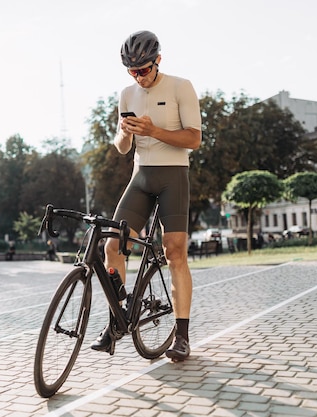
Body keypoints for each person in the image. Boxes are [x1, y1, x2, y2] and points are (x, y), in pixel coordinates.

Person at [90, 30, 202, 362]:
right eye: (132, 71)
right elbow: (123, 148)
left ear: (158, 61)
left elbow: (194, 139)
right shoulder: (127, 94)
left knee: (175, 252)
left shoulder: (181, 87)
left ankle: (181, 336)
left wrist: (155, 131)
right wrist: (124, 133)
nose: (138, 77)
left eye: (143, 70)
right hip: (140, 176)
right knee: (112, 244)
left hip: (173, 176)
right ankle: (117, 319)